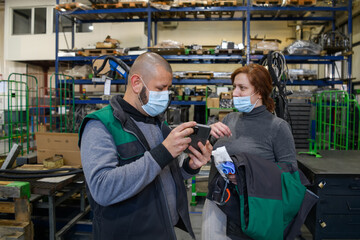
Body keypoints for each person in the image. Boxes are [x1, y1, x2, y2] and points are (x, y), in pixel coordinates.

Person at [78, 52, 213, 240]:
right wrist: (162, 152)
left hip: (164, 231)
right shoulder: (100, 125)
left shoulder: (158, 124)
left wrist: (190, 167)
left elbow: (163, 175)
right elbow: (102, 188)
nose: (165, 96)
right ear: (136, 83)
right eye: (160, 88)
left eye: (168, 88)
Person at [202, 64, 297, 240]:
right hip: (218, 203)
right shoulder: (230, 118)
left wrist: (248, 177)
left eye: (242, 88)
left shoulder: (278, 127)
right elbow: (205, 151)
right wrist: (207, 134)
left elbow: (290, 173)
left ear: (259, 92)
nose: (234, 93)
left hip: (252, 210)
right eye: (234, 87)